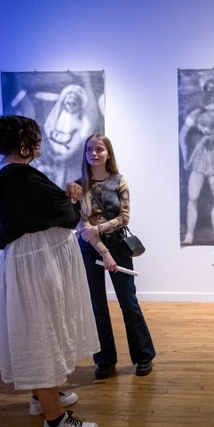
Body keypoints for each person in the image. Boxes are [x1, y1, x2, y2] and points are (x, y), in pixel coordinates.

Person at [0, 115, 100, 427]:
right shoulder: (20, 178)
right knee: (39, 335)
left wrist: (67, 199)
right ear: (23, 143)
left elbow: (47, 210)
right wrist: (72, 201)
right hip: (34, 268)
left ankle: (42, 397)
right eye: (35, 139)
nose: (40, 144)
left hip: (32, 265)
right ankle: (56, 422)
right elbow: (64, 214)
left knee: (39, 330)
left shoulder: (12, 177)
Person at [67, 134, 156, 379]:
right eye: (89, 149)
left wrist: (99, 230)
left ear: (108, 153)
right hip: (90, 247)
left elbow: (124, 218)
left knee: (128, 302)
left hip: (117, 244)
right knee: (97, 306)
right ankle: (105, 360)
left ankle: (144, 356)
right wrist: (100, 247)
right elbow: (82, 225)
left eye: (99, 149)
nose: (94, 154)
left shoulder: (119, 181)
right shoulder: (78, 186)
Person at [179, 78, 214, 244]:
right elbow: (182, 135)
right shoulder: (197, 112)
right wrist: (185, 157)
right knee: (193, 196)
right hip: (200, 155)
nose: (212, 93)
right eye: (209, 90)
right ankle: (190, 234)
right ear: (205, 92)